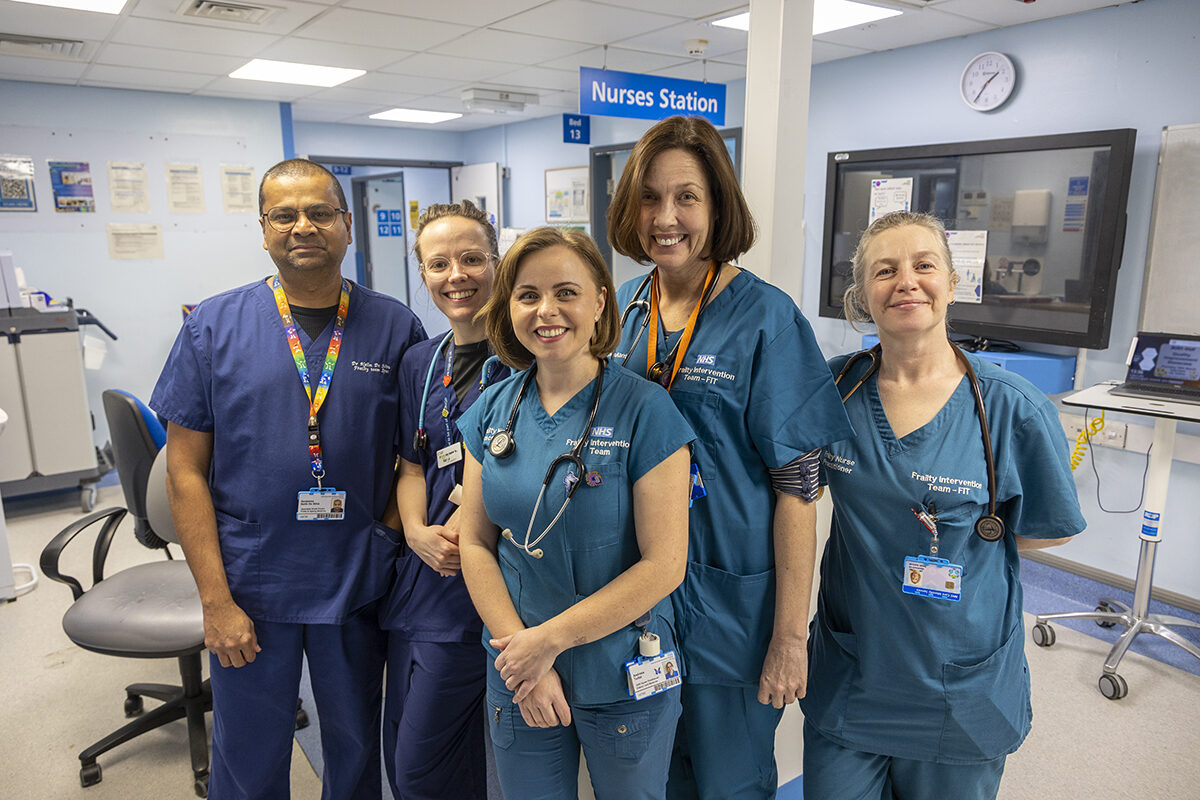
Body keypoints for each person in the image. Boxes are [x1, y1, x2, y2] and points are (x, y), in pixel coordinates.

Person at [151, 158, 426, 799]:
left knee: (355, 746)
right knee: (248, 752)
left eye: (320, 212)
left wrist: (385, 539)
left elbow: (413, 459)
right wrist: (215, 602)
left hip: (355, 580)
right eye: (285, 215)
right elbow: (184, 472)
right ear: (264, 229)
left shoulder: (395, 327)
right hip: (251, 583)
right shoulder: (212, 326)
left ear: (347, 224)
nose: (303, 226)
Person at [607, 115, 854, 799]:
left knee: (729, 782)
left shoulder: (767, 318)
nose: (666, 218)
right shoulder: (621, 311)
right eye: (649, 198)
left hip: (731, 608)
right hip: (633, 600)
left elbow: (800, 487)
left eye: (686, 197)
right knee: (648, 778)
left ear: (717, 206)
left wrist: (789, 638)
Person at [801, 211, 1085, 799]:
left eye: (924, 265)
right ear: (862, 296)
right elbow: (795, 495)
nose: (906, 281)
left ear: (953, 284)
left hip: (960, 684)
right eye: (885, 271)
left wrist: (967, 541)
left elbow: (1049, 527)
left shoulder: (1011, 407)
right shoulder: (834, 390)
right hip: (855, 670)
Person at [456, 227, 695, 799]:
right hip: (517, 664)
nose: (547, 311)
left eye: (566, 292)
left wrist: (549, 643)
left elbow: (665, 564)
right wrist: (523, 655)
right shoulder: (492, 409)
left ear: (600, 302)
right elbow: (475, 542)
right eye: (528, 295)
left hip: (622, 663)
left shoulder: (647, 410)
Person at [378, 200, 509, 799]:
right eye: (438, 263)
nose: (456, 275)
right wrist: (414, 531)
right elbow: (412, 465)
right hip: (422, 571)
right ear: (424, 274)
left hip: (480, 581)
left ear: (497, 263)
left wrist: (461, 528)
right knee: (404, 744)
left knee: (420, 767)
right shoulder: (419, 362)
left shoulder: (528, 359)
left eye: (472, 258)